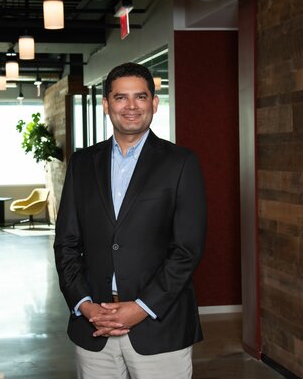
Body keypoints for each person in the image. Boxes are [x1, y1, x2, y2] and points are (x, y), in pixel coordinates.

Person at [54, 62, 206, 379]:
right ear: (107, 105)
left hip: (158, 325)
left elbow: (186, 249)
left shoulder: (180, 162)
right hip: (94, 324)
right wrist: (84, 305)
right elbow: (67, 242)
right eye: (121, 98)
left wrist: (140, 308)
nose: (132, 106)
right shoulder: (82, 163)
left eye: (140, 96)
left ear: (154, 103)